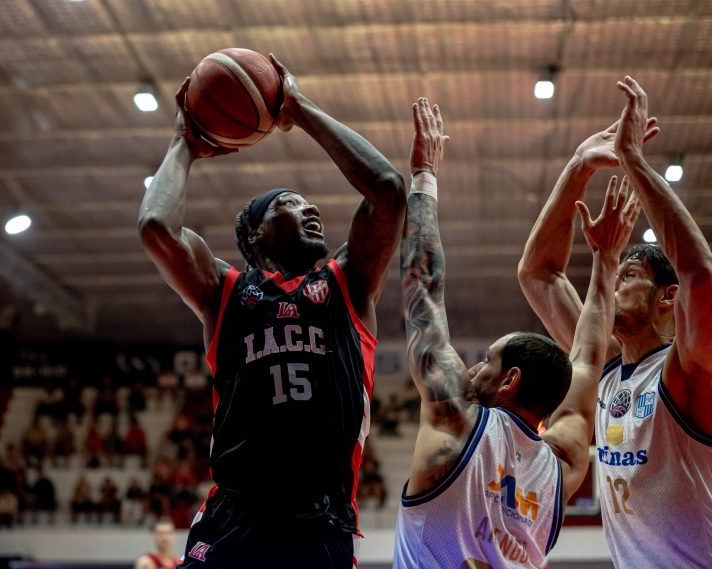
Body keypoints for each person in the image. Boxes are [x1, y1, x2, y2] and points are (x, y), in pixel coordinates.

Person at [138, 53, 405, 569]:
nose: (311, 208)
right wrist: (183, 144)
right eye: (290, 203)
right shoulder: (224, 291)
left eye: (308, 203)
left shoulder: (347, 284)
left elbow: (389, 192)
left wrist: (299, 108)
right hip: (234, 521)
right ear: (257, 235)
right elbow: (156, 229)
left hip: (321, 524)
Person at [393, 99, 636, 568]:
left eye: (487, 359)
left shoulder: (456, 423)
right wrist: (605, 262)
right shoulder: (563, 466)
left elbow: (422, 285)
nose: (473, 368)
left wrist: (424, 176)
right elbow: (588, 359)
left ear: (510, 380)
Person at [518, 76, 712, 568]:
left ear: (668, 296)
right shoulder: (603, 364)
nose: (615, 285)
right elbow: (538, 274)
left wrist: (634, 161)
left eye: (630, 275)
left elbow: (701, 275)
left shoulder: (685, 368)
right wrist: (578, 166)